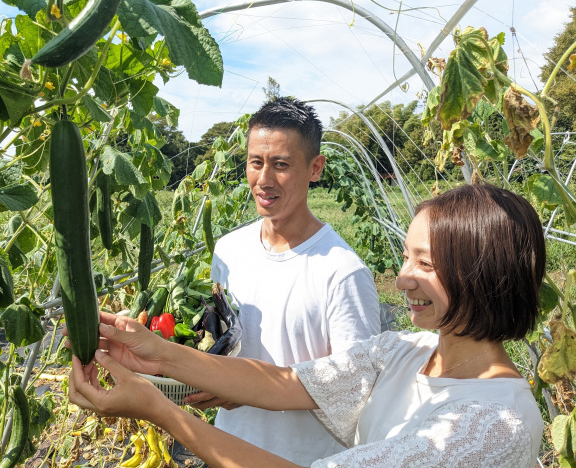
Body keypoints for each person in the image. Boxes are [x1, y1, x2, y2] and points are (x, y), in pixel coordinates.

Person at [68, 183, 546, 468]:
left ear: (482, 275)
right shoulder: (408, 350)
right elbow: (288, 383)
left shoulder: (492, 423)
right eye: (406, 256)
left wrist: (161, 411)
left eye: (425, 263)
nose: (401, 279)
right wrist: (156, 351)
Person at [183, 97, 380, 463]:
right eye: (255, 162)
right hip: (230, 448)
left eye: (281, 165)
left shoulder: (342, 272)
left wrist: (244, 389)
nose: (264, 179)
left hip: (304, 459)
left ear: (315, 167)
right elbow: (218, 339)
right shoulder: (229, 251)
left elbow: (354, 393)